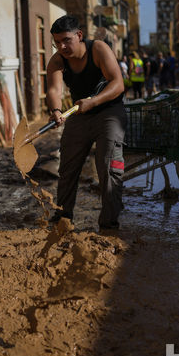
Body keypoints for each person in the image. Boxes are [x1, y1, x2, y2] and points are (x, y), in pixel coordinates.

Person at [46, 15, 127, 230]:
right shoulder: (57, 60)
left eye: (66, 40)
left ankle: (109, 223)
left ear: (79, 35)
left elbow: (118, 84)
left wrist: (94, 101)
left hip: (109, 111)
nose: (61, 46)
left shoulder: (98, 49)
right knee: (67, 165)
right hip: (79, 113)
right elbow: (54, 89)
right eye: (57, 42)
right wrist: (55, 110)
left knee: (108, 165)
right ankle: (63, 215)